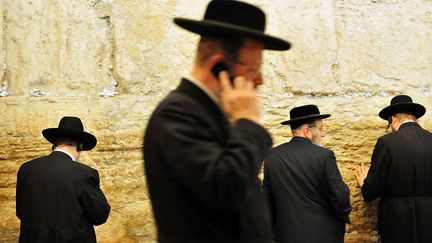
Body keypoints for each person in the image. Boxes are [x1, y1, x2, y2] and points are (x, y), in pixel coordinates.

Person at [143, 0, 290, 242]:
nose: (260, 81)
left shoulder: (211, 112)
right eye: (253, 70)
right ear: (218, 66)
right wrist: (249, 123)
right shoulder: (177, 114)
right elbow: (226, 189)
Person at [262, 105, 351, 243]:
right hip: (323, 234)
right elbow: (340, 195)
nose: (323, 133)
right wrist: (343, 215)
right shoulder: (324, 156)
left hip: (285, 235)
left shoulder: (272, 156)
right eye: (321, 128)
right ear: (307, 131)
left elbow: (268, 199)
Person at [16, 116, 110, 243]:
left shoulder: (26, 169)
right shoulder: (85, 174)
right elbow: (99, 216)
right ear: (80, 146)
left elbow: (21, 212)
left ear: (55, 144)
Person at [355, 95, 432, 243]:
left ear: (393, 119)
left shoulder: (387, 142)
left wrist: (365, 184)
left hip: (397, 221)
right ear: (414, 118)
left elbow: (374, 187)